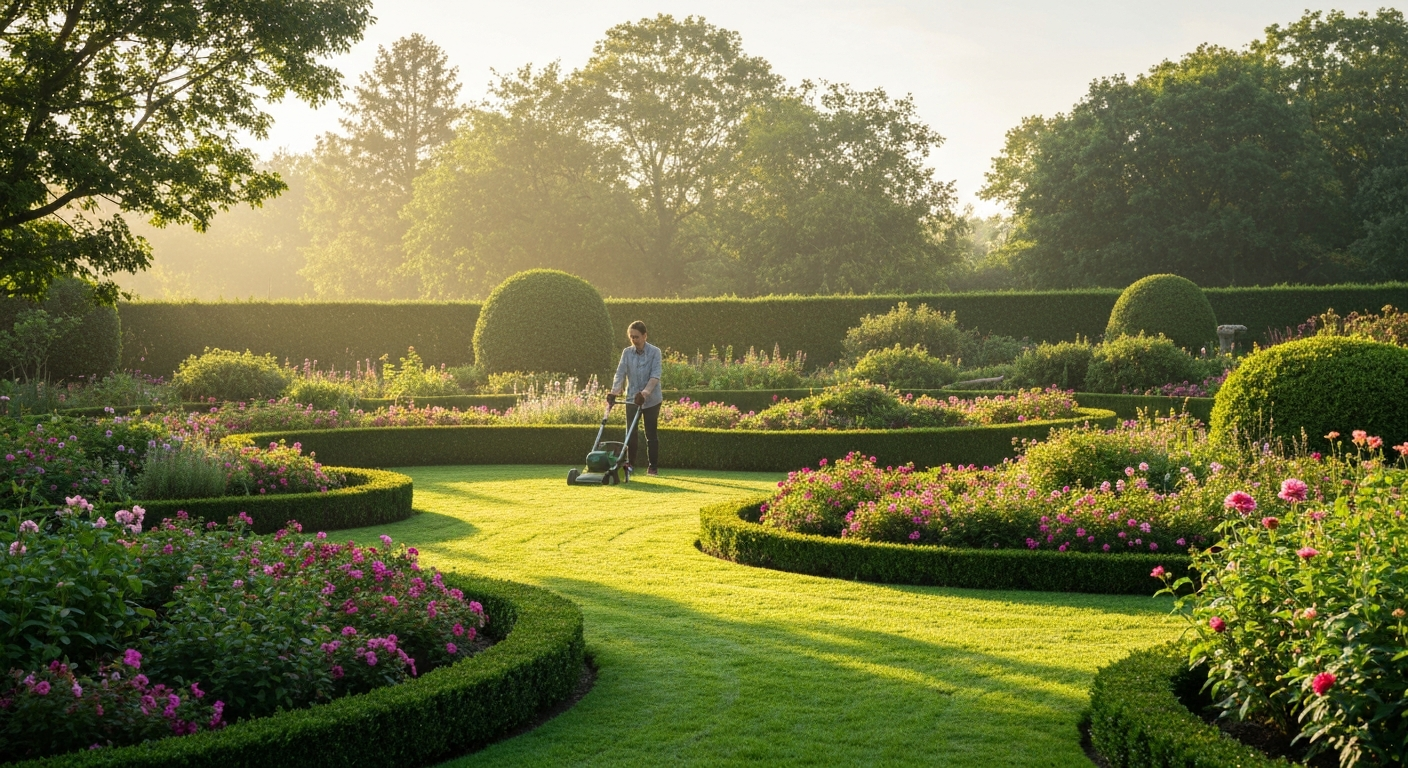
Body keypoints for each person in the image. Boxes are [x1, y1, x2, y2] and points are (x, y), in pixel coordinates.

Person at [607, 320, 662, 476]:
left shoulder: (655, 352)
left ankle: (653, 466)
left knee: (650, 433)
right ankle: (630, 464)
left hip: (651, 400)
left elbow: (655, 376)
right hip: (632, 398)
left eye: (636, 337)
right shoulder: (627, 352)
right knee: (630, 433)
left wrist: (644, 393)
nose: (634, 340)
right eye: (631, 337)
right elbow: (620, 373)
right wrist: (614, 392)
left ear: (645, 336)